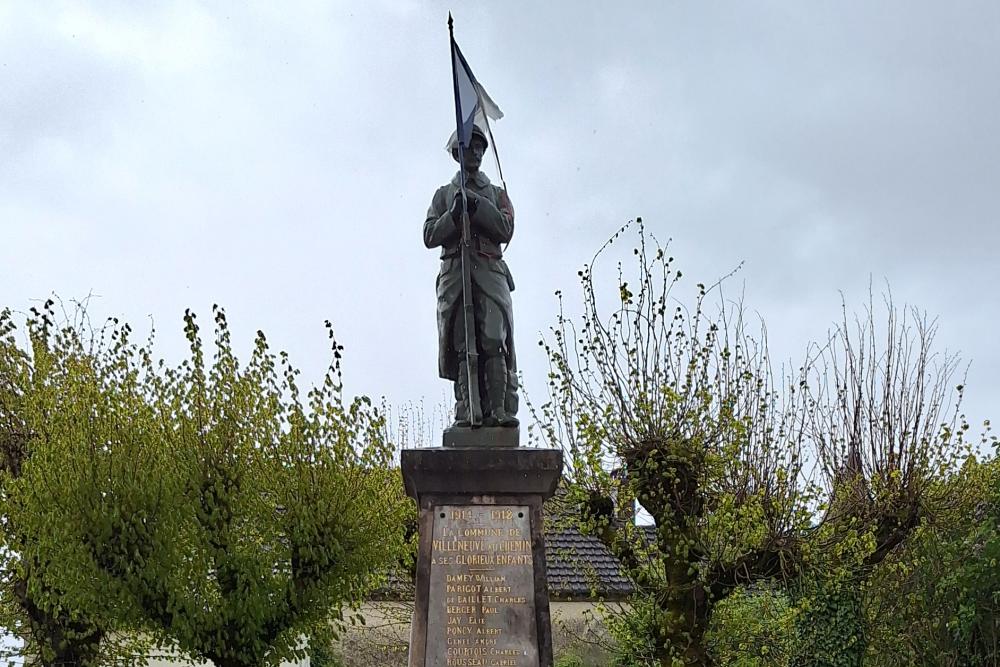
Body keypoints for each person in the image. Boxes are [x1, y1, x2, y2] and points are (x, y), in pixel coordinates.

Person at [423, 125, 518, 428]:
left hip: (489, 272)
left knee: (493, 338)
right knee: (463, 344)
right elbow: (429, 235)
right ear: (457, 153)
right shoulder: (443, 195)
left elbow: (506, 229)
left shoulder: (496, 193)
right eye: (468, 147)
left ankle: (499, 411)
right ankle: (467, 409)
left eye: (479, 148)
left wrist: (478, 207)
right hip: (456, 275)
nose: (475, 153)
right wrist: (453, 215)